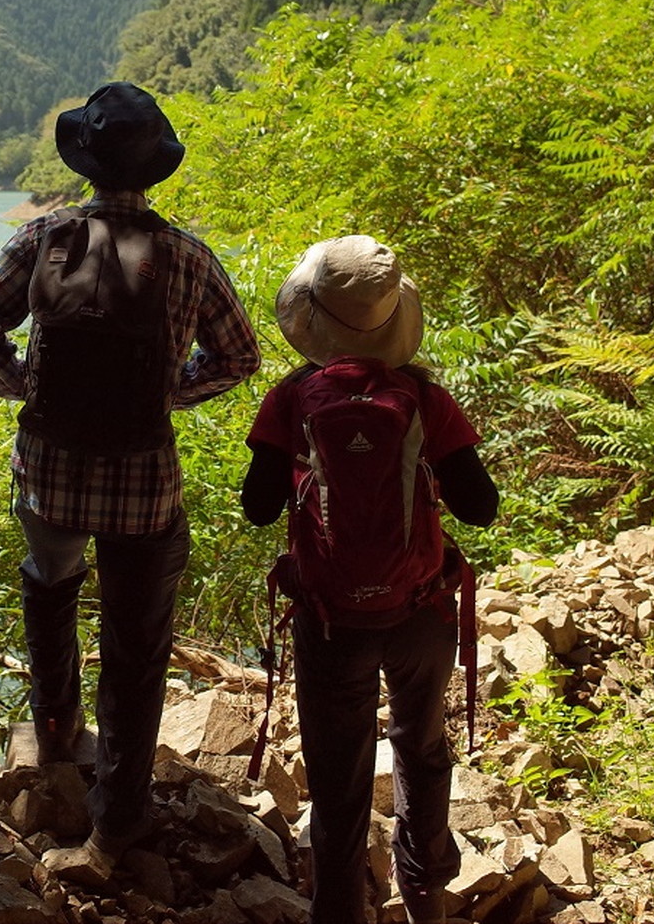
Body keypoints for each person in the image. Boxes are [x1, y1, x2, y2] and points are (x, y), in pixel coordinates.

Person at [0, 82, 260, 869]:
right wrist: (169, 391)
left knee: (49, 583)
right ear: (154, 169)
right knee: (137, 642)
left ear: (86, 164)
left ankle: (56, 735)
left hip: (48, 470)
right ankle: (118, 819)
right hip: (143, 482)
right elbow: (239, 357)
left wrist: (22, 383)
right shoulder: (188, 255)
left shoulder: (44, 238)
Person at [241, 235, 498, 924]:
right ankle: (424, 894)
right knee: (421, 745)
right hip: (419, 613)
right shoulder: (421, 395)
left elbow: (256, 508)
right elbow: (483, 508)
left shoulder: (294, 395)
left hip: (332, 623)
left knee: (339, 778)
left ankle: (338, 909)